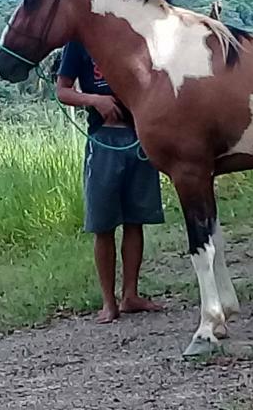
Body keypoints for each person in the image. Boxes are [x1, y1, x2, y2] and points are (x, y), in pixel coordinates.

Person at [57, 41, 165, 324]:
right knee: (103, 224)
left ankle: (131, 295)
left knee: (135, 219)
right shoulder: (78, 45)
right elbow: (63, 91)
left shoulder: (131, 36)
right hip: (102, 140)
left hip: (138, 136)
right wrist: (95, 100)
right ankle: (109, 302)